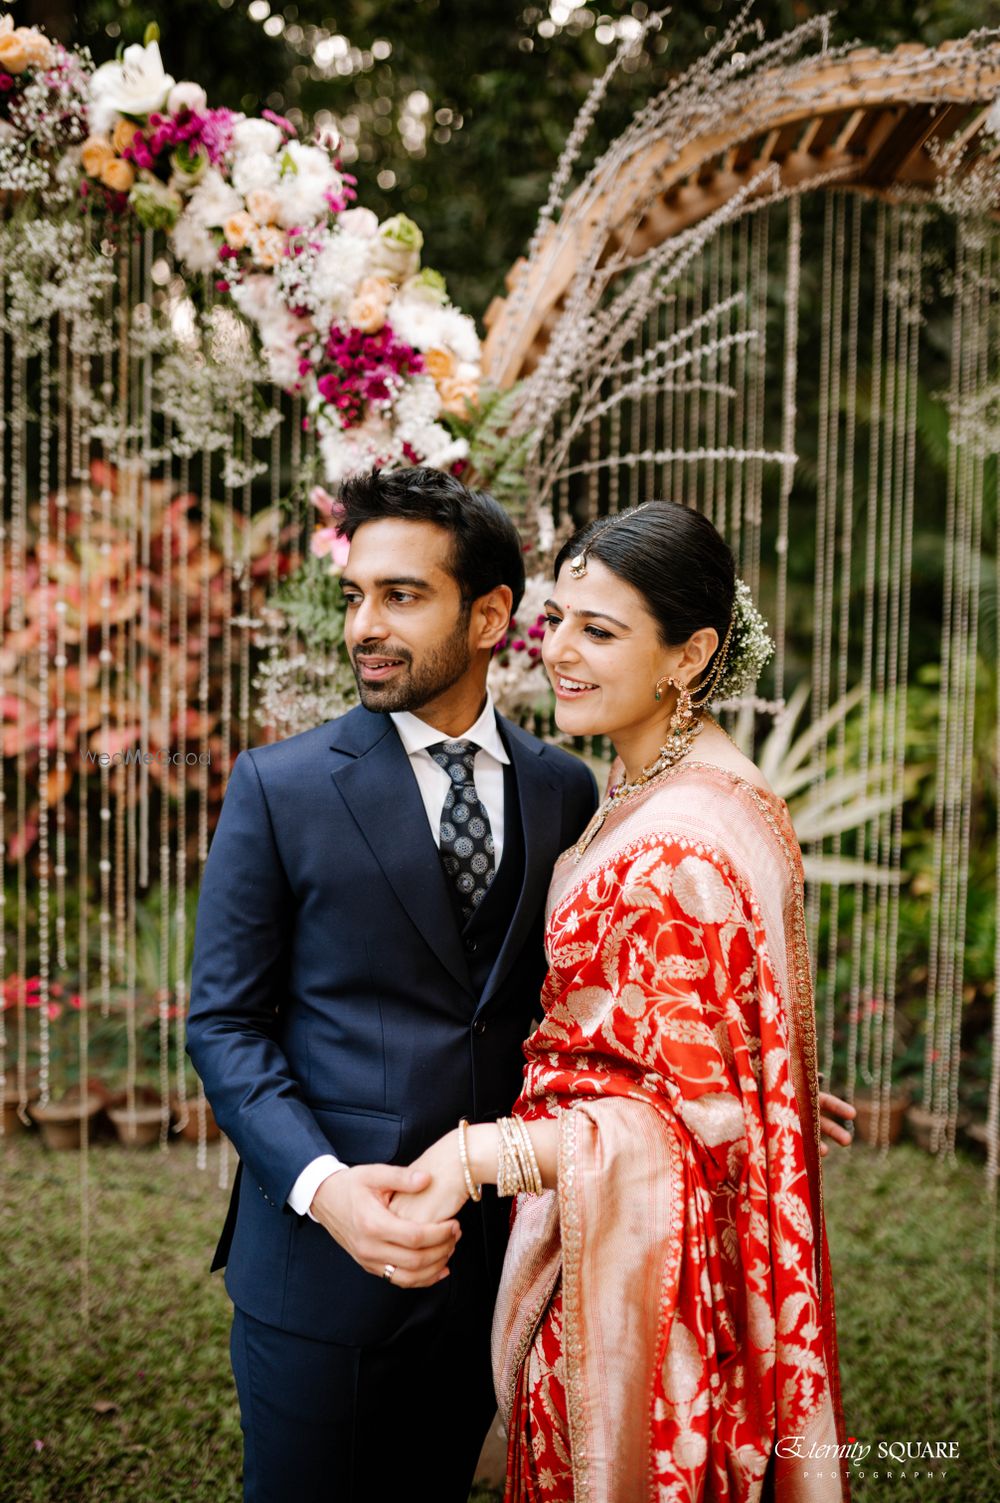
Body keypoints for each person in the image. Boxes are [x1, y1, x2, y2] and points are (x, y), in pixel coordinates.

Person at [391, 500, 853, 1502]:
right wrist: (755, 1096)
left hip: (639, 1276)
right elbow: (701, 1057)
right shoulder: (679, 785)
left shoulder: (677, 844)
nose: (559, 651)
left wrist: (483, 1152)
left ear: (688, 656)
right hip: (645, 1238)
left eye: (599, 631)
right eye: (557, 619)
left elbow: (676, 1128)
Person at [185, 467, 599, 1503]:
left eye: (401, 596)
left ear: (491, 614)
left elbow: (578, 1002)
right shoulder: (279, 787)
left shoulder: (562, 789)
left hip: (496, 1262)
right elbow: (225, 1025)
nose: (364, 625)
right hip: (320, 1267)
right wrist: (326, 1191)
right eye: (355, 596)